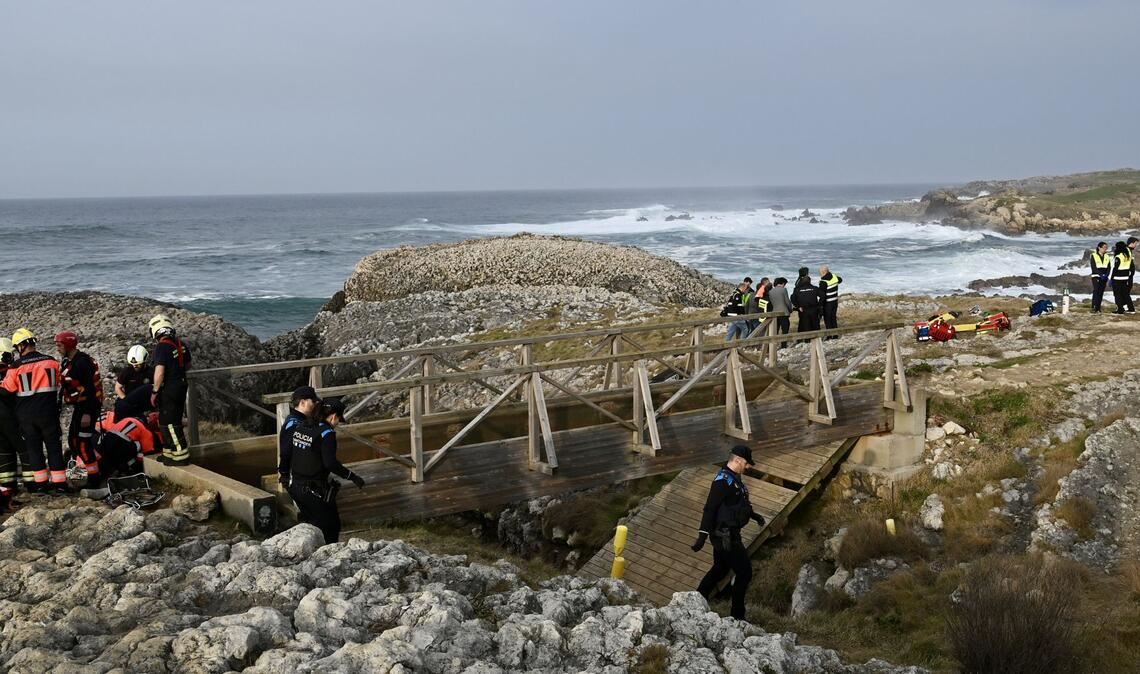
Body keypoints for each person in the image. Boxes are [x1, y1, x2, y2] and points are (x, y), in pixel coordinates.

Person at [691, 444, 765, 620]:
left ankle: (696, 600)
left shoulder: (734, 478)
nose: (749, 466)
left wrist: (754, 516)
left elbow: (737, 504)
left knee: (720, 568)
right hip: (725, 536)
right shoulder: (722, 482)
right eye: (747, 463)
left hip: (728, 534)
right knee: (744, 572)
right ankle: (737, 616)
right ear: (737, 460)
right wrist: (702, 536)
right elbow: (710, 508)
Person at [281, 395, 365, 544]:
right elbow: (330, 463)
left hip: (295, 487)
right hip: (314, 490)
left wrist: (284, 474)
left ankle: (309, 553)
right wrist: (352, 476)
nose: (337, 423)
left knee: (311, 524)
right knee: (331, 526)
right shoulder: (327, 434)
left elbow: (288, 452)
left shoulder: (301, 426)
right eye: (338, 419)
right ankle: (327, 558)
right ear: (333, 416)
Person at [0, 329, 68, 493]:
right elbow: (62, 383)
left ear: (22, 346)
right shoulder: (52, 362)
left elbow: (6, 391)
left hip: (27, 416)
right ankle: (60, 485)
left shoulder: (16, 367)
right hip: (49, 413)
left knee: (34, 450)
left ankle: (40, 486)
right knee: (54, 449)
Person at [55, 331, 105, 484]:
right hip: (81, 406)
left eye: (59, 345)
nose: (57, 348)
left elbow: (89, 390)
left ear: (69, 345)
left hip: (88, 408)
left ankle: (94, 478)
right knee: (73, 442)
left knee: (82, 443)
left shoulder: (82, 363)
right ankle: (100, 462)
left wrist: (87, 415)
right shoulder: (69, 361)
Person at [148, 315, 193, 465]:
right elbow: (188, 365)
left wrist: (154, 391)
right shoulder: (180, 344)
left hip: (169, 389)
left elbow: (159, 372)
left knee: (170, 423)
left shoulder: (162, 347)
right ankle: (168, 453)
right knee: (165, 420)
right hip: (181, 385)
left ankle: (180, 455)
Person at [0, 338, 24, 496]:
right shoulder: (10, 371)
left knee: (3, 451)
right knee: (24, 449)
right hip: (11, 415)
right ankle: (33, 483)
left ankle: (8, 485)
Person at [791, 267, 822, 336]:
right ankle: (816, 338)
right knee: (815, 324)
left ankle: (806, 339)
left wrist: (798, 306)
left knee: (804, 324)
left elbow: (793, 298)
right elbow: (822, 295)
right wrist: (819, 305)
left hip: (803, 309)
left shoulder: (797, 286)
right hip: (813, 308)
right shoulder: (814, 288)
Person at [1109, 242, 1135, 314]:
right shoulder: (1128, 256)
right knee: (1126, 294)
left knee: (1117, 294)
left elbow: (1115, 268)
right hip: (1125, 277)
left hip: (1118, 278)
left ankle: (1120, 309)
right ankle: (1131, 308)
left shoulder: (1119, 256)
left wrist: (1111, 278)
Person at [818, 265, 843, 337]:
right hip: (835, 301)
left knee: (828, 319)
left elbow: (822, 296)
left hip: (828, 303)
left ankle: (829, 336)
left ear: (823, 272)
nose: (820, 274)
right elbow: (840, 280)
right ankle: (835, 335)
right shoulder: (834, 276)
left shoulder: (823, 282)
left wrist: (820, 305)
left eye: (820, 272)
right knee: (833, 318)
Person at [768, 277, 792, 346]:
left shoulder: (770, 291)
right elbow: (787, 301)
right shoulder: (783, 290)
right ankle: (783, 344)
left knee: (776, 329)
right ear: (783, 283)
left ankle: (773, 344)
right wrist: (790, 309)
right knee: (785, 329)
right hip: (784, 312)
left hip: (774, 313)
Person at [1090, 242, 1111, 313]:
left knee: (1101, 292)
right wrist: (1101, 274)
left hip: (1104, 277)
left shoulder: (1107, 256)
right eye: (1104, 247)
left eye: (1106, 247)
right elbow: (1094, 267)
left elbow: (1109, 267)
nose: (1105, 249)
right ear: (1099, 247)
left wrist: (1107, 275)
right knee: (1096, 291)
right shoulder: (1093, 255)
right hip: (1096, 276)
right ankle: (1094, 307)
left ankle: (1098, 308)